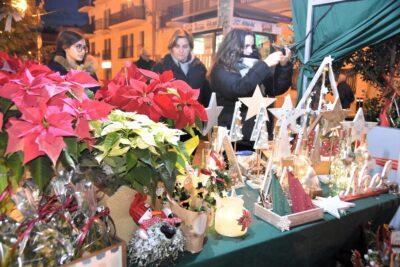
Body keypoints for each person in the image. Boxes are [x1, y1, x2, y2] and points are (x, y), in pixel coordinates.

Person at [210, 28, 293, 149]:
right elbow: (239, 89)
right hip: (234, 136)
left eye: (252, 46)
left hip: (259, 132)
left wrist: (283, 66)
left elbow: (275, 89)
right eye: (245, 46)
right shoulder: (221, 69)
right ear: (232, 47)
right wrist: (264, 64)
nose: (250, 50)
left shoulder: (255, 65)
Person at [152, 29, 211, 106]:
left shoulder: (200, 67)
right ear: (171, 48)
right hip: (170, 117)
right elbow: (153, 97)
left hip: (195, 116)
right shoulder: (160, 67)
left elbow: (207, 96)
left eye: (185, 46)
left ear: (190, 48)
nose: (181, 50)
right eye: (177, 46)